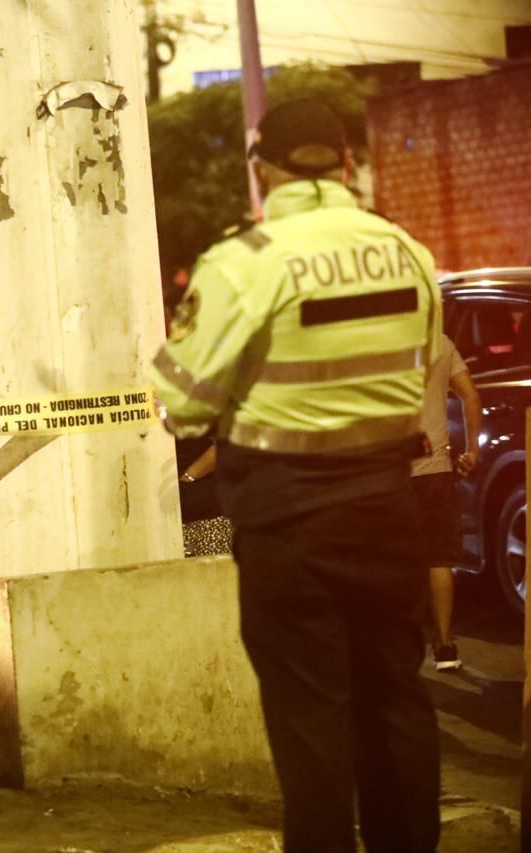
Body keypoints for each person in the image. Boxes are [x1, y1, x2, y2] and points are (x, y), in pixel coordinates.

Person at [149, 98, 443, 852]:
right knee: (398, 704)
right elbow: (420, 370)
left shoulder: (244, 261)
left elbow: (181, 401)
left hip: (290, 524)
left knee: (313, 728)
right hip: (389, 509)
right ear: (343, 162)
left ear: (262, 169)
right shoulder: (406, 251)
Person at [413, 334, 481, 671]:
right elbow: (471, 395)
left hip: (386, 471)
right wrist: (472, 450)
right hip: (434, 471)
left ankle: (395, 646)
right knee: (439, 558)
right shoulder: (440, 342)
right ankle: (444, 645)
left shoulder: (380, 336)